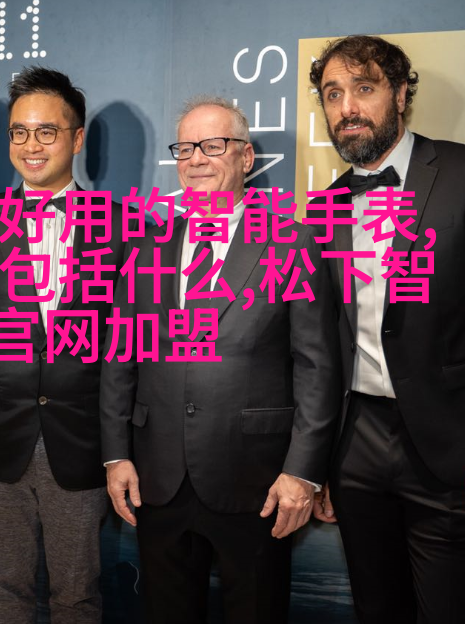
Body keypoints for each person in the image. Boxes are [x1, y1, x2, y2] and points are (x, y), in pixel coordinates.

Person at [308, 35, 465, 623]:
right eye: (333, 94)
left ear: (400, 93)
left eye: (364, 88)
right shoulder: (323, 207)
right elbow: (330, 345)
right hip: (356, 447)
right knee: (376, 611)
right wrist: (324, 462)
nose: (347, 108)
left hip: (458, 451)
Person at [100, 96, 340, 623]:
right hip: (158, 479)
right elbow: (120, 357)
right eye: (186, 148)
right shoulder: (146, 247)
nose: (196, 159)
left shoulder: (292, 243)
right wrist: (116, 455)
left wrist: (302, 473)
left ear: (246, 157)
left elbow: (317, 368)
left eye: (213, 145)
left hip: (257, 481)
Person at [0, 67, 122, 624]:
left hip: (82, 439)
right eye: (19, 132)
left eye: (47, 131)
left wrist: (118, 448)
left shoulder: (123, 227)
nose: (31, 145)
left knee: (77, 595)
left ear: (77, 138)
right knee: (4, 588)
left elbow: (127, 351)